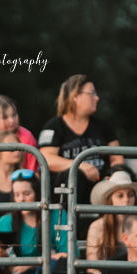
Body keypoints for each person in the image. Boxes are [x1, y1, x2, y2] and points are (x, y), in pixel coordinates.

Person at [38, 75, 122, 251]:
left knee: (122, 180)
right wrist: (79, 165)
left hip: (101, 188)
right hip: (71, 191)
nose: (96, 98)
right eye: (91, 93)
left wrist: (113, 174)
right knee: (73, 176)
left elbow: (117, 157)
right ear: (75, 96)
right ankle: (68, 244)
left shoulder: (103, 127)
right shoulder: (55, 126)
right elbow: (46, 158)